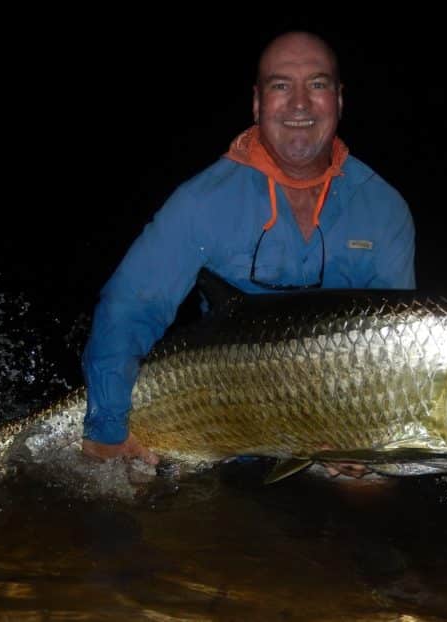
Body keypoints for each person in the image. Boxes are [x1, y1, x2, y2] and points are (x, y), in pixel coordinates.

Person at [80, 31, 416, 478]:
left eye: (316, 85)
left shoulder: (384, 208)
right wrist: (106, 426)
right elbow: (130, 308)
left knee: (373, 491)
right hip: (217, 414)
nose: (299, 104)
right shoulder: (202, 201)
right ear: (258, 104)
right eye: (281, 86)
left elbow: (398, 354)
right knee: (129, 495)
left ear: (339, 99)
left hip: (331, 421)